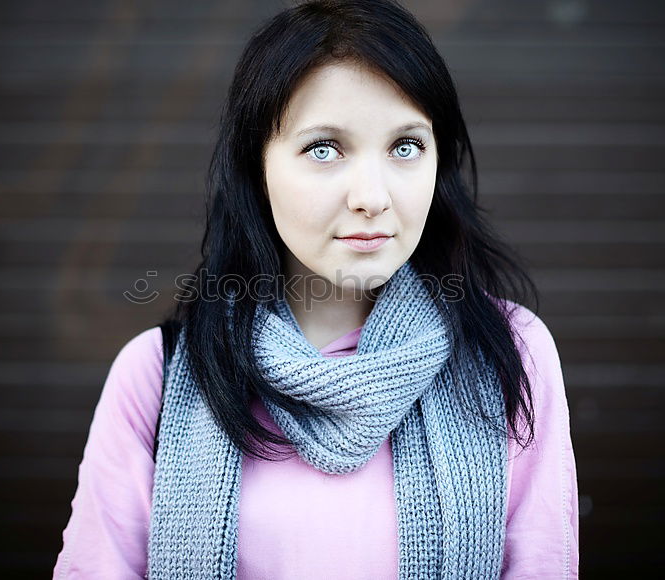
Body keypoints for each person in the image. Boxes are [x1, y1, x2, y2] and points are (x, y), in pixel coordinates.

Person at [53, 0, 578, 578]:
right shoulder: (158, 374)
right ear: (256, 168)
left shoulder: (510, 352)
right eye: (323, 149)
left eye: (405, 146)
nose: (372, 196)